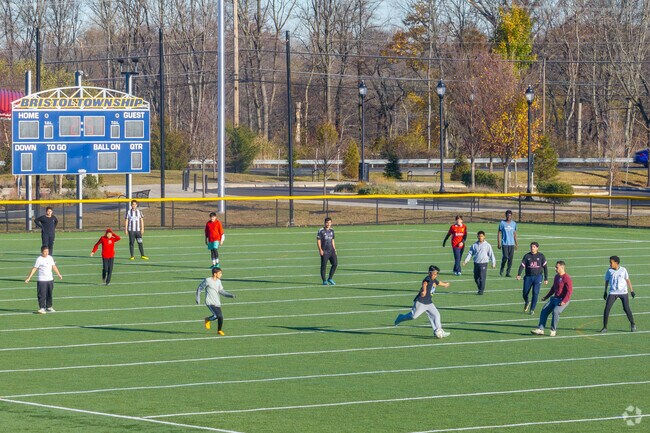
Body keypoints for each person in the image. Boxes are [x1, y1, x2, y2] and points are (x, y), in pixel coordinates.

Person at [394, 265, 451, 338]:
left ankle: (439, 331)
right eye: (434, 274)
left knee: (436, 315)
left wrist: (445, 284)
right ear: (429, 273)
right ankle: (400, 318)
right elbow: (424, 283)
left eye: (437, 274)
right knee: (413, 316)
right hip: (421, 302)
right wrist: (424, 291)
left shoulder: (434, 279)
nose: (436, 275)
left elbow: (438, 283)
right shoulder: (427, 279)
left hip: (429, 302)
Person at [531, 261, 573, 337]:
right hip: (554, 299)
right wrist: (546, 297)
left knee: (556, 311)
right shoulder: (556, 277)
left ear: (562, 268)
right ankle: (541, 329)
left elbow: (569, 292)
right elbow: (553, 288)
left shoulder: (567, 278)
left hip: (562, 300)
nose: (555, 268)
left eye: (557, 267)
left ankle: (553, 330)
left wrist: (564, 301)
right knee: (544, 310)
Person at [601, 256, 636, 333]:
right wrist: (605, 291)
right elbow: (607, 281)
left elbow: (628, 280)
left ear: (616, 263)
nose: (610, 264)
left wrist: (632, 291)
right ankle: (604, 327)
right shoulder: (609, 271)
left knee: (626, 308)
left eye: (611, 262)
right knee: (607, 309)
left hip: (623, 292)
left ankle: (633, 324)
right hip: (613, 292)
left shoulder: (623, 270)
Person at [196, 267, 235, 335]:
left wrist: (230, 295)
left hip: (217, 302)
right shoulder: (207, 280)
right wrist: (198, 298)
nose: (221, 274)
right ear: (215, 274)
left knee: (221, 317)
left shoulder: (219, 281)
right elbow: (199, 288)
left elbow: (221, 291)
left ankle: (219, 330)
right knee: (217, 315)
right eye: (219, 273)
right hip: (209, 302)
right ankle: (207, 319)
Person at [25, 246, 63, 314]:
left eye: (47, 251)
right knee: (41, 294)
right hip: (42, 280)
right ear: (42, 252)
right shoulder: (39, 259)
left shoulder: (50, 258)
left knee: (49, 294)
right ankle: (42, 308)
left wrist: (59, 274)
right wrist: (29, 278)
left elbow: (54, 266)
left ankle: (49, 307)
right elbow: (34, 269)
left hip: (50, 279)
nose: (47, 253)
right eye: (45, 251)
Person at [516, 242, 548, 315]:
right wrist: (519, 274)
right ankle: (527, 301)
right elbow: (522, 265)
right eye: (531, 247)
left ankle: (532, 309)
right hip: (528, 277)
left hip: (538, 277)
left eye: (533, 247)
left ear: (537, 248)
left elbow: (545, 267)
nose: (532, 248)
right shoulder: (527, 256)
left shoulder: (541, 256)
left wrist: (546, 278)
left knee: (535, 293)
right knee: (525, 293)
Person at [462, 231, 496, 295]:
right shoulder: (474, 245)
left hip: (484, 263)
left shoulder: (487, 245)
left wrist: (493, 263)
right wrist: (466, 261)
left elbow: (491, 254)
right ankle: (480, 288)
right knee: (476, 278)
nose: (480, 237)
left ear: (484, 237)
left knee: (482, 277)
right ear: (477, 237)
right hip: (476, 263)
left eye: (481, 236)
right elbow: (470, 253)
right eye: (479, 236)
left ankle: (481, 291)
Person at [317, 217, 337, 285]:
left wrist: (335, 249)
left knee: (335, 264)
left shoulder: (332, 230)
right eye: (327, 222)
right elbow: (318, 241)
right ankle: (324, 280)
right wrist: (320, 250)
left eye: (329, 223)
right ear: (324, 223)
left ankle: (330, 278)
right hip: (324, 251)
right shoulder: (321, 231)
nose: (328, 224)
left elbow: (333, 240)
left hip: (331, 250)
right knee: (324, 266)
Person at [497, 210, 518, 277]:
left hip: (511, 244)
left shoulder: (514, 223)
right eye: (507, 215)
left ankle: (508, 272)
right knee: (505, 257)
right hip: (505, 243)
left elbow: (514, 234)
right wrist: (499, 243)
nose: (509, 217)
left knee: (510, 259)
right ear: (505, 215)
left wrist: (516, 243)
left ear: (511, 216)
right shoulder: (502, 223)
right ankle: (502, 268)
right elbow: (499, 233)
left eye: (510, 215)